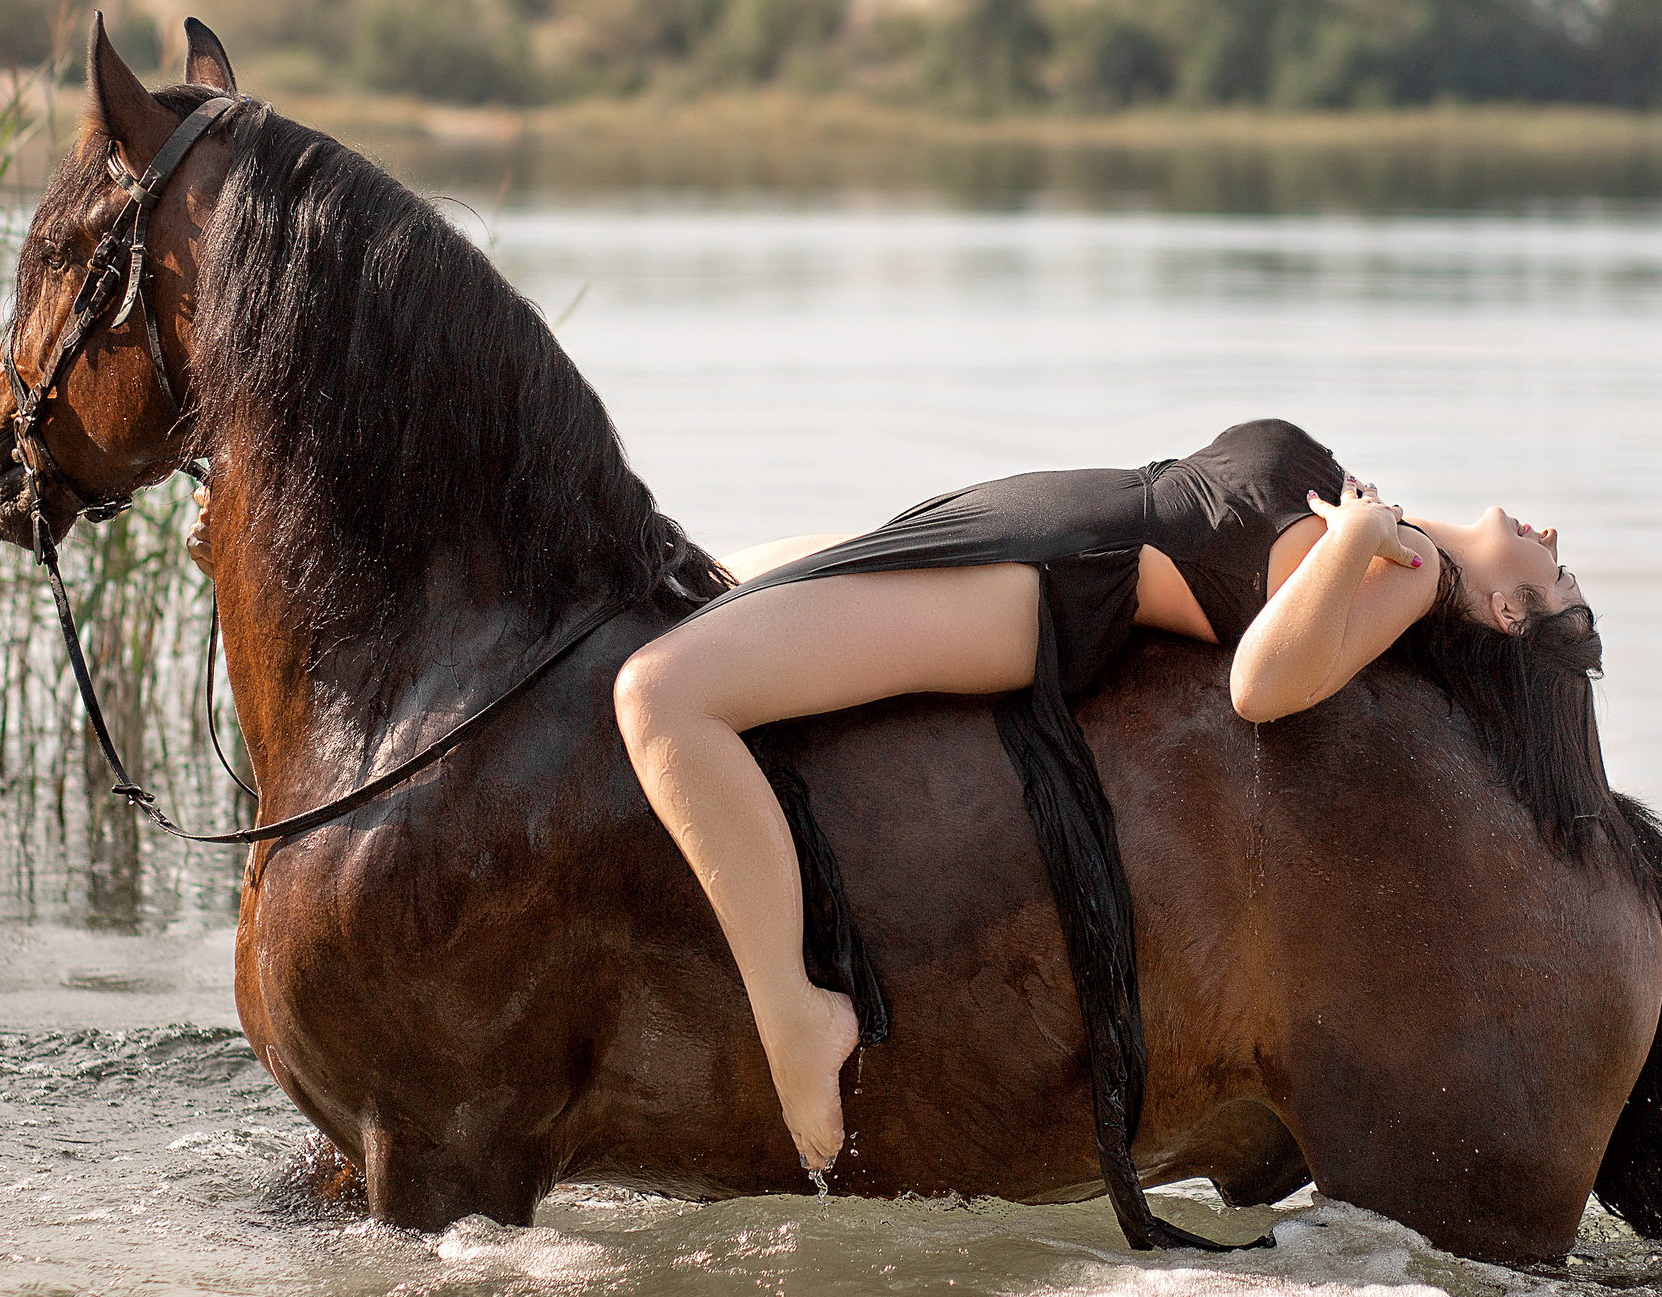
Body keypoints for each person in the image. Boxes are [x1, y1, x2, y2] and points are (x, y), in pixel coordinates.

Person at [610, 418, 1583, 1175]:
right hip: (1014, 526)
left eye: (1559, 573)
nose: (1549, 535)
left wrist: (1354, 540)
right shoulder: (1394, 536)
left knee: (662, 694)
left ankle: (793, 1014)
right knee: (685, 593)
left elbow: (1262, 683)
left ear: (1507, 613)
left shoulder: (1405, 571)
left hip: (1045, 584)